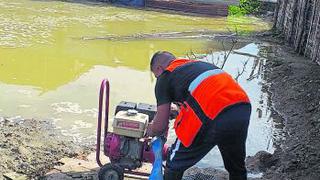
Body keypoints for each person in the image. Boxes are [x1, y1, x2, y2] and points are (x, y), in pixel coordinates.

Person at [146, 51, 252, 180]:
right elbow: (203, 93)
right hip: (241, 107)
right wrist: (178, 111)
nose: (157, 77)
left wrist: (149, 129)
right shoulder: (198, 65)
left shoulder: (165, 76)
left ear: (158, 68)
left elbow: (160, 127)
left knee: (174, 163)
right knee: (236, 167)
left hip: (213, 112)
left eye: (155, 75)